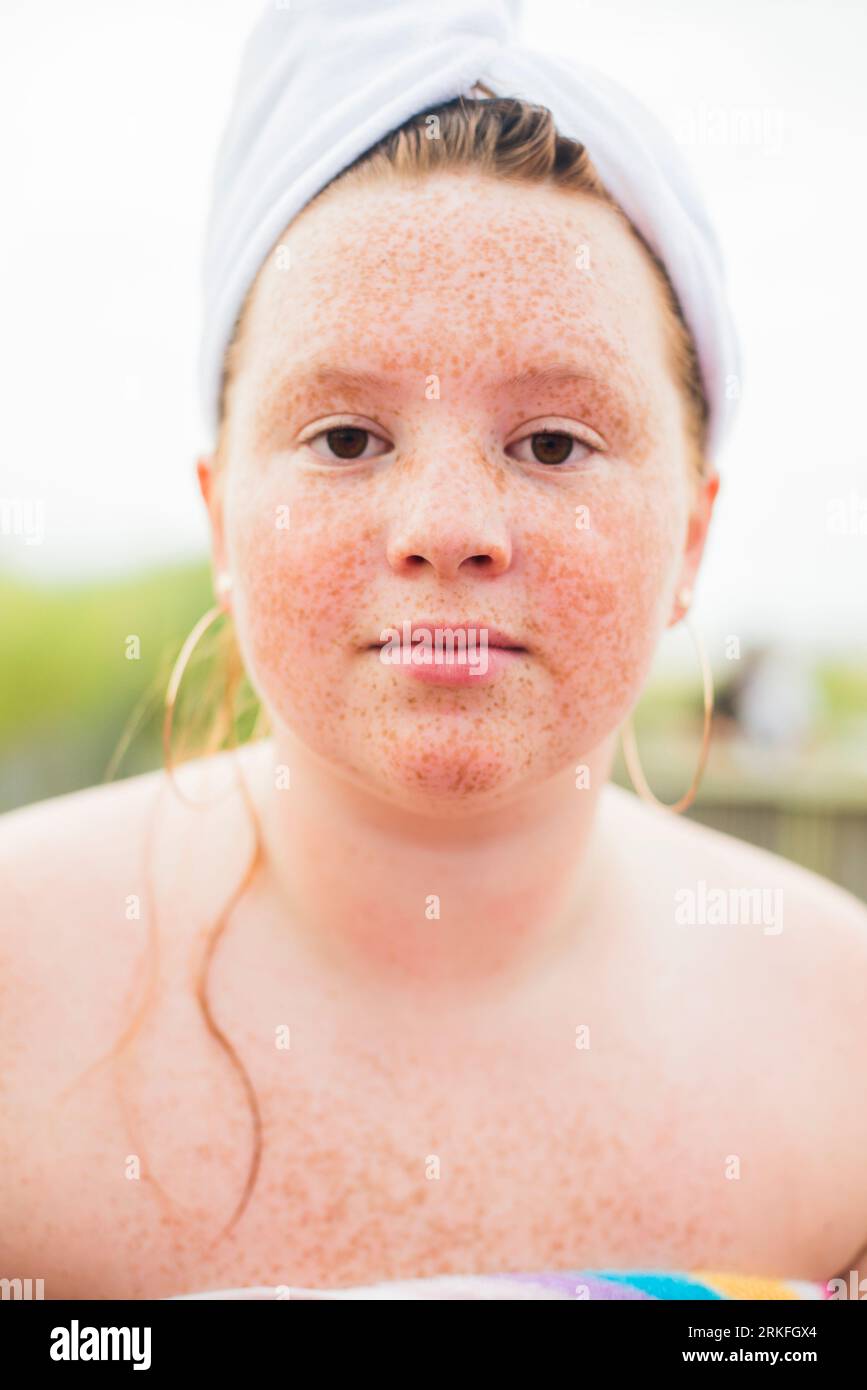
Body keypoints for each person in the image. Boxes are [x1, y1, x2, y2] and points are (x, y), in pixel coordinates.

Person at [1, 2, 865, 1301]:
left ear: (693, 531)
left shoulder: (841, 1050)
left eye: (555, 442)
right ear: (219, 513)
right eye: (346, 437)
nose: (448, 529)